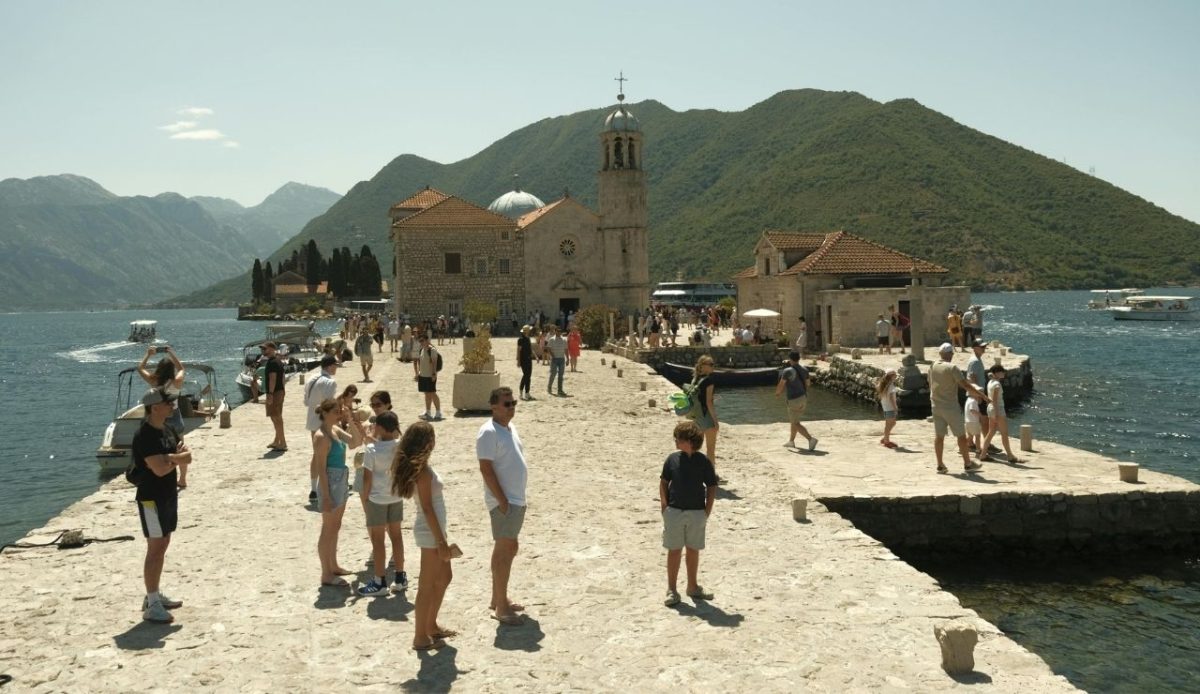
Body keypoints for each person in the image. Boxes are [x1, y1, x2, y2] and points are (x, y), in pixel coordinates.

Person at [392, 421, 457, 650]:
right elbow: (428, 508)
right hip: (431, 532)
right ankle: (420, 636)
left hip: (434, 529)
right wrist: (441, 542)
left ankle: (430, 626)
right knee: (427, 584)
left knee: (444, 577)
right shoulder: (423, 473)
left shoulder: (423, 468)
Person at [131, 387, 193, 623]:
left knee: (163, 543)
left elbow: (180, 452)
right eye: (167, 403)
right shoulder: (145, 435)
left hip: (167, 495)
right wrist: (175, 459)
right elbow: (158, 469)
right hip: (151, 499)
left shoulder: (166, 429)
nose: (172, 406)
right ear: (154, 407)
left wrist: (171, 459)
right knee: (155, 548)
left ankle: (154, 594)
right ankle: (152, 603)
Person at [477, 387, 529, 626]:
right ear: (494, 406)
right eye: (507, 404)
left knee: (509, 548)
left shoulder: (509, 428)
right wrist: (503, 501)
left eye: (513, 402)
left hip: (515, 499)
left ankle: (497, 597)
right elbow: (486, 469)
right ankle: (501, 606)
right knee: (504, 551)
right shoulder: (488, 433)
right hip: (505, 502)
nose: (511, 407)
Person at [660, 420, 718, 607]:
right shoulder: (672, 459)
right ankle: (672, 589)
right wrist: (664, 505)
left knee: (693, 550)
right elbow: (663, 482)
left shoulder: (703, 462)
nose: (675, 441)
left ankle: (692, 587)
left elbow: (711, 486)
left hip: (696, 513)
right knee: (674, 550)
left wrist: (707, 510)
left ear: (689, 441)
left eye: (678, 438)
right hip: (674, 511)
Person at [311, 397, 366, 587]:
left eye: (339, 411)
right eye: (335, 411)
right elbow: (321, 469)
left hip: (341, 478)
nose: (338, 414)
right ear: (325, 413)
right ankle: (326, 573)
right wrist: (325, 496)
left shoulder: (335, 430)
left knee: (336, 526)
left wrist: (350, 419)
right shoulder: (321, 437)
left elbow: (356, 443)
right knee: (327, 529)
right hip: (330, 482)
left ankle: (333, 565)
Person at [357, 411, 408, 597]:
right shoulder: (400, 446)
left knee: (378, 540)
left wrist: (366, 497)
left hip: (377, 498)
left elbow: (367, 478)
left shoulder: (371, 450)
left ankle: (380, 581)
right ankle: (400, 578)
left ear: (379, 427)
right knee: (397, 536)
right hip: (396, 496)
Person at [929, 342, 989, 474]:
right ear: (950, 354)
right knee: (961, 436)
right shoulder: (952, 368)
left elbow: (930, 383)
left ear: (940, 353)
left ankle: (940, 465)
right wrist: (982, 395)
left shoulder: (933, 365)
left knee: (939, 437)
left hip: (936, 406)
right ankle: (968, 464)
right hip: (950, 407)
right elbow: (965, 385)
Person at [137, 345, 190, 487]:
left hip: (157, 418)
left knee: (157, 450)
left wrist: (148, 355)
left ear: (159, 369)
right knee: (179, 449)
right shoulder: (176, 382)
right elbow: (182, 369)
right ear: (171, 370)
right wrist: (172, 352)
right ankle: (182, 479)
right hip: (175, 416)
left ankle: (161, 474)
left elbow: (140, 368)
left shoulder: (154, 381)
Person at [304, 355, 340, 502]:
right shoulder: (330, 382)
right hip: (324, 421)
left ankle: (313, 489)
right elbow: (329, 405)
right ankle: (327, 486)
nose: (336, 368)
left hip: (312, 419)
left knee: (316, 454)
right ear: (330, 366)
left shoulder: (311, 379)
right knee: (328, 454)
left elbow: (306, 401)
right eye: (335, 365)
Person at [775, 351, 818, 451]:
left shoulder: (788, 371)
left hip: (794, 400)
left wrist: (777, 394)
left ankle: (810, 439)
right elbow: (808, 384)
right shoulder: (804, 370)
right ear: (798, 359)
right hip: (803, 398)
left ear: (790, 359)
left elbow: (781, 384)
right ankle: (791, 441)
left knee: (795, 423)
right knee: (794, 420)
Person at [980, 365, 1021, 463]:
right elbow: (995, 400)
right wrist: (997, 414)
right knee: (1004, 433)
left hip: (990, 408)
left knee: (991, 432)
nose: (1004, 373)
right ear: (996, 373)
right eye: (1002, 372)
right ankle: (1010, 456)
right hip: (998, 409)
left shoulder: (990, 382)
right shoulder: (997, 384)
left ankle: (983, 454)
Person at [689, 355, 720, 472]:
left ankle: (694, 470)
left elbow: (700, 397)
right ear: (703, 366)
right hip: (707, 417)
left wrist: (712, 398)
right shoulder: (709, 380)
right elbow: (708, 402)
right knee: (710, 449)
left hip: (697, 417)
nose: (713, 366)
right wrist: (716, 422)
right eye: (711, 364)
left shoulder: (695, 379)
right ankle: (711, 475)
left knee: (696, 446)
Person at [965, 339, 991, 447]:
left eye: (984, 347)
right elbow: (972, 378)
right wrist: (978, 395)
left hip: (977, 393)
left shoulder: (976, 359)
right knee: (984, 420)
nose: (984, 349)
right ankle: (987, 444)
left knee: (974, 420)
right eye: (982, 347)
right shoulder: (975, 361)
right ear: (975, 348)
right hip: (977, 394)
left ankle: (970, 442)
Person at [414, 334, 443, 421]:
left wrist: (434, 374)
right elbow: (420, 362)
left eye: (422, 340)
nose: (421, 342)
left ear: (427, 340)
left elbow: (434, 362)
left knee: (432, 393)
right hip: (423, 375)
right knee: (426, 394)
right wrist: (418, 373)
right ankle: (428, 412)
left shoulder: (432, 350)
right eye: (420, 341)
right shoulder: (421, 350)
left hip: (430, 375)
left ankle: (438, 412)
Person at [876, 368, 900, 448]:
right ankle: (886, 441)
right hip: (890, 408)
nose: (896, 376)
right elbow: (892, 398)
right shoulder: (891, 386)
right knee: (892, 423)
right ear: (891, 376)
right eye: (895, 374)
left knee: (888, 424)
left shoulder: (884, 385)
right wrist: (895, 408)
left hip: (885, 407)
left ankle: (885, 438)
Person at [545, 326, 567, 396]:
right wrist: (552, 355)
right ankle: (549, 387)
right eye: (557, 331)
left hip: (561, 359)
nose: (559, 332)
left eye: (560, 331)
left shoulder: (564, 340)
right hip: (554, 359)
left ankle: (560, 390)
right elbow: (548, 348)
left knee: (561, 375)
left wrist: (568, 358)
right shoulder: (551, 339)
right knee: (553, 374)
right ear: (555, 331)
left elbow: (566, 349)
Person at [516, 325, 534, 400]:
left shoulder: (528, 339)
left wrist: (535, 356)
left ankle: (527, 393)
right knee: (526, 375)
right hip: (523, 360)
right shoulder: (520, 340)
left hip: (529, 359)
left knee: (528, 376)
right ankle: (521, 391)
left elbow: (530, 349)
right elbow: (518, 351)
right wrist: (518, 361)